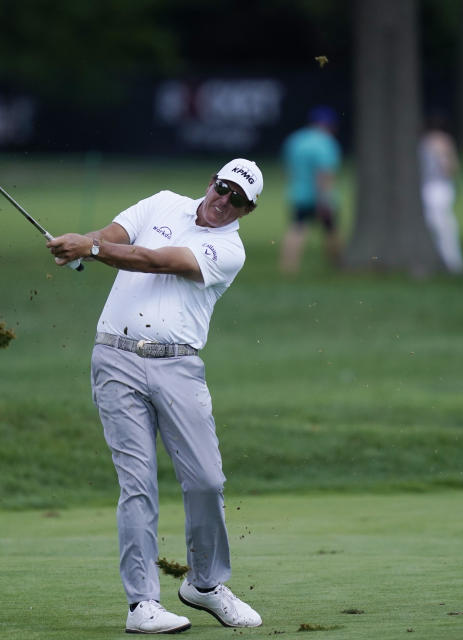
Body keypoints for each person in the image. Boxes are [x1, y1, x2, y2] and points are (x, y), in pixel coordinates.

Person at [46, 159, 264, 634]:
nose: (224, 202)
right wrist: (83, 245)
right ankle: (142, 603)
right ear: (211, 181)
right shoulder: (162, 202)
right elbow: (115, 235)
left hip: (179, 365)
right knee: (137, 483)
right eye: (223, 188)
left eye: (238, 201)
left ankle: (204, 586)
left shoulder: (229, 250)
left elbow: (156, 261)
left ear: (247, 211)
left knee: (206, 480)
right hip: (115, 358)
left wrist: (93, 248)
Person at [279, 105, 343, 274]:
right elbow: (324, 173)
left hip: (298, 193)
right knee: (331, 231)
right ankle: (336, 264)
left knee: (297, 228)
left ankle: (288, 267)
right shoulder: (326, 142)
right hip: (320, 196)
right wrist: (324, 199)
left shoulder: (295, 140)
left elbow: (287, 168)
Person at [419, 115, 463, 274]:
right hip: (441, 187)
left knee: (436, 224)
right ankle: (451, 261)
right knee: (444, 225)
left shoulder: (423, 142)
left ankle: (446, 260)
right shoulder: (444, 141)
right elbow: (451, 168)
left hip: (428, 187)